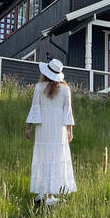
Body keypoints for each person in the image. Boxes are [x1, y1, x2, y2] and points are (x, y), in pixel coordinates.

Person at [25, 58, 76, 205]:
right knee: (55, 158)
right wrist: (70, 131)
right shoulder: (66, 89)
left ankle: (44, 194)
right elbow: (68, 112)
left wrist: (29, 127)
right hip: (58, 129)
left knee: (43, 157)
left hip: (43, 128)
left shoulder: (39, 87)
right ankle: (49, 195)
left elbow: (35, 109)